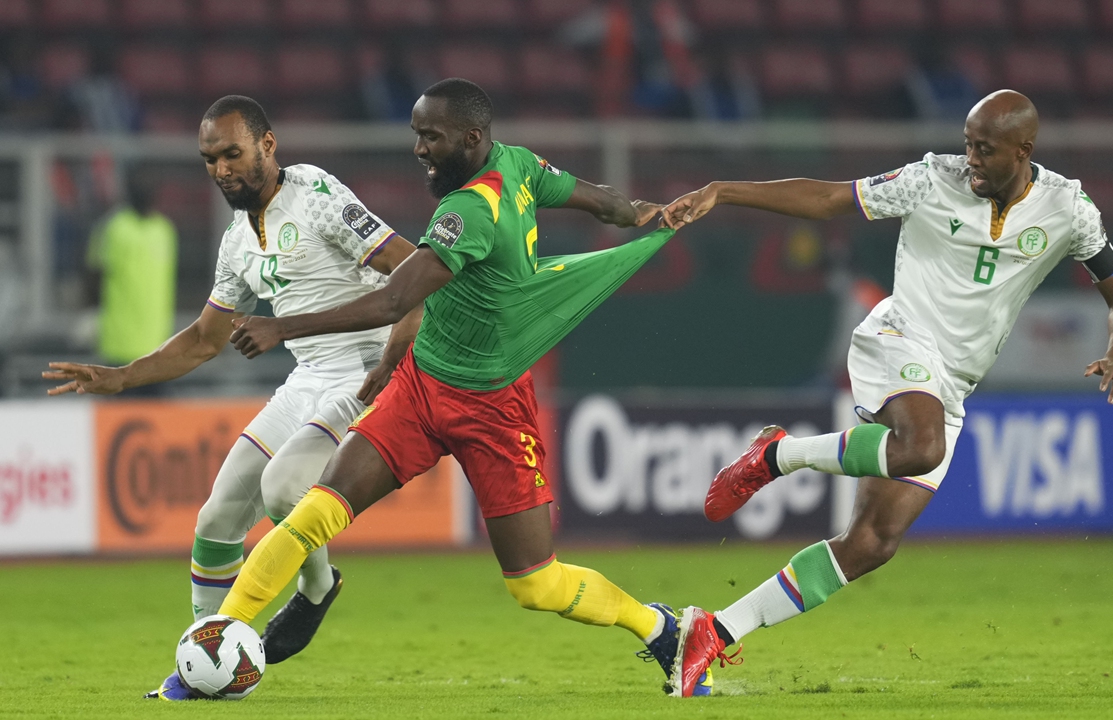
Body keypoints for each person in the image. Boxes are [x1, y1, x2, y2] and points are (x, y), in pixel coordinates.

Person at [210, 78, 712, 695]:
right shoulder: (520, 165)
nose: (419, 149)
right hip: (421, 388)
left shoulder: (468, 210)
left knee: (537, 585)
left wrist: (279, 325)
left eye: (431, 137)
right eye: (416, 134)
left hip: (494, 406)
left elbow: (395, 296)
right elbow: (600, 201)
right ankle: (216, 644)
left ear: (472, 139)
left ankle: (663, 629)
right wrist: (646, 212)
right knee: (311, 513)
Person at [659, 90, 1113, 697]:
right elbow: (829, 197)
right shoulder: (929, 180)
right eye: (967, 144)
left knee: (869, 545)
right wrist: (725, 190)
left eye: (984, 150)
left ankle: (715, 630)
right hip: (899, 337)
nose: (971, 160)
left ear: (1024, 150)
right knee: (921, 448)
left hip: (954, 383)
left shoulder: (1069, 208)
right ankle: (778, 456)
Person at [41, 95, 423, 700]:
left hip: (362, 374)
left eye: (232, 153)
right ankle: (206, 665)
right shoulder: (237, 242)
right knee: (216, 519)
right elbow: (201, 341)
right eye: (209, 159)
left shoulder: (316, 195)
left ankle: (318, 588)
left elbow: (416, 269)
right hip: (306, 379)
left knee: (281, 488)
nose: (220, 168)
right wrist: (120, 376)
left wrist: (395, 353)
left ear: (268, 146)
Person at [87, 171, 177, 370]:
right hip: (118, 345)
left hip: (157, 345)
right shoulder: (113, 228)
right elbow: (93, 276)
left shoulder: (164, 230)